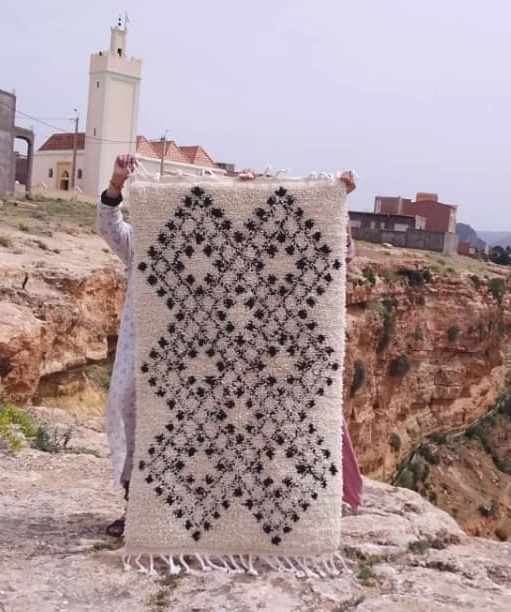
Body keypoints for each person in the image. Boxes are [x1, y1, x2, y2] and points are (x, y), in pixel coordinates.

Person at [96, 157, 363, 538]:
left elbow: (316, 252)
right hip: (141, 356)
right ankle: (137, 513)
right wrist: (117, 183)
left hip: (196, 366)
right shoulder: (148, 240)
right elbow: (110, 226)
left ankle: (191, 522)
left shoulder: (215, 248)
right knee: (138, 424)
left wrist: (335, 200)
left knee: (190, 439)